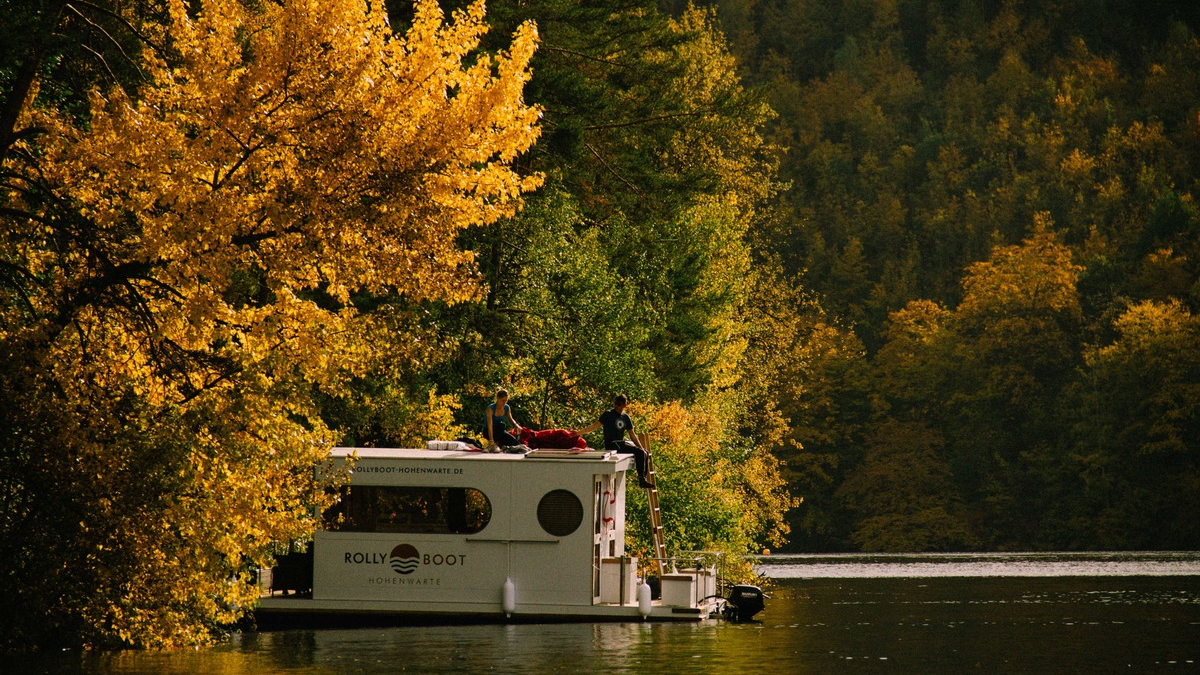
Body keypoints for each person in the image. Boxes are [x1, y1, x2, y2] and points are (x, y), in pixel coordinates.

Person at [575, 394, 654, 488]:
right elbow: (594, 426)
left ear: (625, 405)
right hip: (612, 444)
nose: (616, 406)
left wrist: (642, 448)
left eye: (619, 404)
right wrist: (579, 432)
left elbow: (632, 435)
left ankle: (642, 479)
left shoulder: (625, 417)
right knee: (639, 452)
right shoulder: (608, 414)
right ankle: (642, 480)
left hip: (620, 443)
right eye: (615, 404)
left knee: (642, 453)